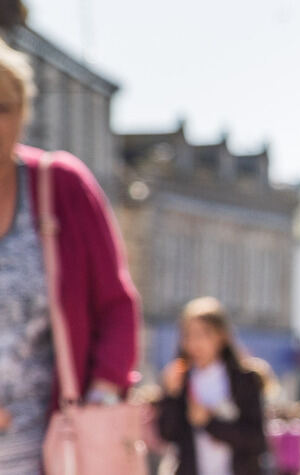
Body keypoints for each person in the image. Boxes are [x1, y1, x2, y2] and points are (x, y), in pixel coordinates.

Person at [0, 37, 140, 474]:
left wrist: (103, 393)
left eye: (2, 106)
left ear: (24, 113)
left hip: (53, 443)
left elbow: (117, 306)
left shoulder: (61, 186)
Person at [158, 297, 270, 475]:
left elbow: (257, 441)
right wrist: (171, 395)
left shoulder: (244, 379)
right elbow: (167, 434)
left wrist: (210, 422)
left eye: (203, 334)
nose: (195, 343)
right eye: (188, 335)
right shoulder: (180, 378)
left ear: (222, 336)